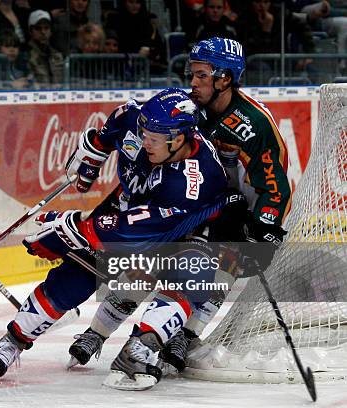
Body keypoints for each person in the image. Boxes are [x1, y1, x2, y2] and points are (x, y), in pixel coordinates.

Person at [67, 37, 292, 382]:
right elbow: (145, 139)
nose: (193, 83)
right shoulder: (185, 108)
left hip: (233, 214)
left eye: (202, 76)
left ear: (225, 78)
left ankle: (182, 337)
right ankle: (97, 333)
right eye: (192, 74)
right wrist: (103, 155)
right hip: (183, 204)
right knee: (146, 265)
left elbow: (275, 185)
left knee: (213, 276)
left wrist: (265, 227)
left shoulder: (254, 123)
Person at [0, 88, 228, 385]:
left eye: (154, 139)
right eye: (143, 133)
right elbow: (115, 126)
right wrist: (94, 152)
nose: (144, 141)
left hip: (180, 229)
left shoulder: (193, 182)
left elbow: (128, 231)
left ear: (180, 138)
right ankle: (12, 340)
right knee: (75, 278)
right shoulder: (137, 119)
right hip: (130, 207)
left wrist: (69, 228)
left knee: (191, 277)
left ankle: (140, 349)